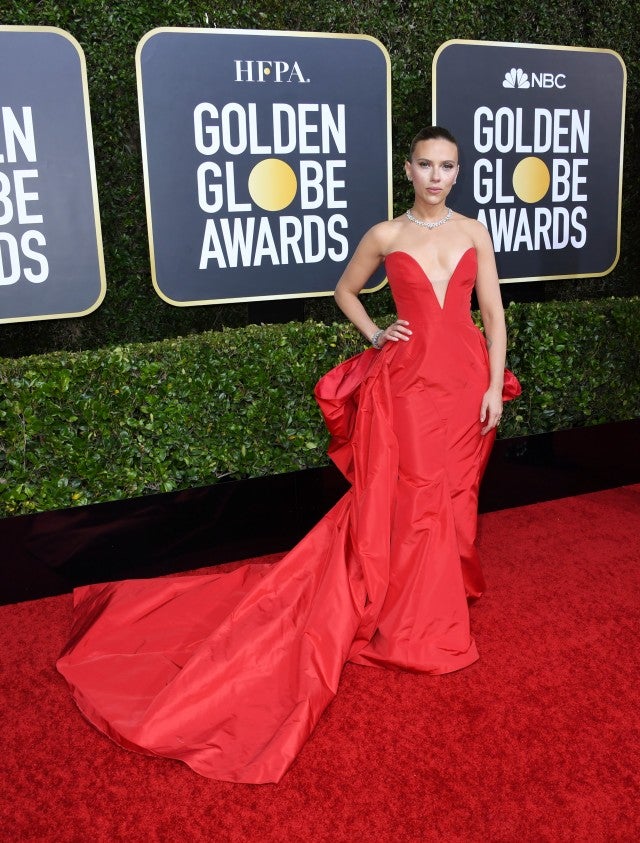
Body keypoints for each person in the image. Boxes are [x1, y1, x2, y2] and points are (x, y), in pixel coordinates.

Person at [57, 127, 520, 785]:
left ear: (457, 170)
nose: (437, 176)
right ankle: (422, 625)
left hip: (464, 380)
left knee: (451, 493)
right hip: (410, 384)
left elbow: (495, 314)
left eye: (448, 165)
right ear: (408, 168)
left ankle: (432, 598)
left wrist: (492, 386)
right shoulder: (386, 236)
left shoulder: (475, 231)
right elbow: (345, 290)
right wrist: (375, 331)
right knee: (416, 497)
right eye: (426, 164)